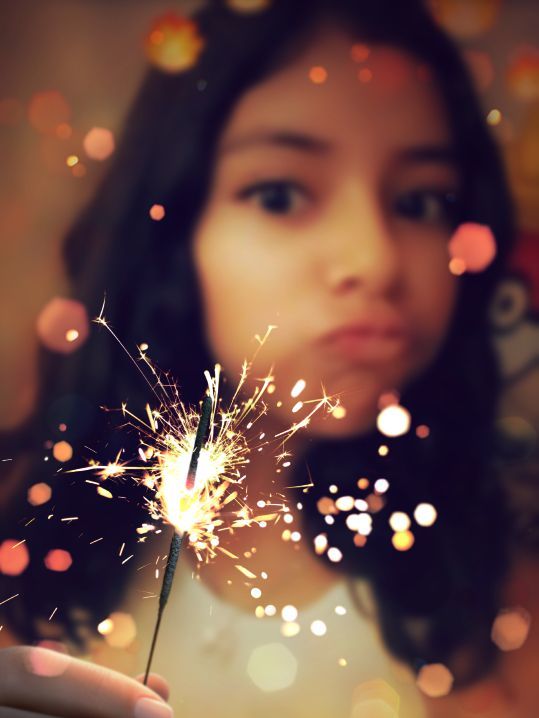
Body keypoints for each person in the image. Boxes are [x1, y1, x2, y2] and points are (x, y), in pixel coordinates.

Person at [1, 0, 535, 715]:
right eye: (279, 195)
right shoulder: (25, 542)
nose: (373, 260)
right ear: (174, 230)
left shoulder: (502, 598)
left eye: (420, 202)